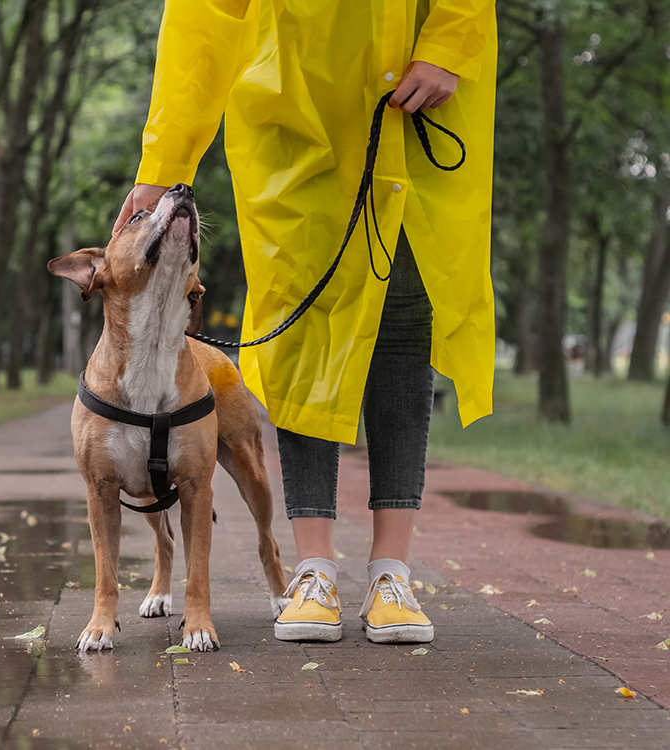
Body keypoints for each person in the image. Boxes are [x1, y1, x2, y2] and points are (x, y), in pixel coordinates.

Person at [113, 1, 497, 643]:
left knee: (402, 328)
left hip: (412, 100)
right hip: (293, 118)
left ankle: (391, 573)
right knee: (301, 337)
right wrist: (164, 165)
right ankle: (313, 570)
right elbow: (203, 21)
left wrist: (452, 42)